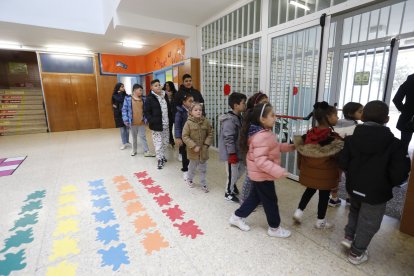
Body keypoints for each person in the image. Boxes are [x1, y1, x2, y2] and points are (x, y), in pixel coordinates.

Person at [339, 100, 410, 265]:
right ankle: (356, 253)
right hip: (377, 191)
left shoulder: (351, 138)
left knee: (355, 211)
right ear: (387, 119)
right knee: (369, 221)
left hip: (353, 186)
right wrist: (388, 183)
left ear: (363, 117)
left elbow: (343, 162)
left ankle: (349, 236)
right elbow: (400, 173)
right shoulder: (395, 144)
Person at [229, 103, 295, 238]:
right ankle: (274, 228)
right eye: (272, 115)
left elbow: (274, 147)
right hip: (263, 175)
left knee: (254, 198)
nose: (275, 118)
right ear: (262, 119)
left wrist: (290, 147)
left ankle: (236, 217)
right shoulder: (262, 136)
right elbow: (261, 161)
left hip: (260, 175)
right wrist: (279, 171)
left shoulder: (263, 133)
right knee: (270, 201)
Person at [292, 101, 343, 229]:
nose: (337, 118)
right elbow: (339, 158)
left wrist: (301, 167)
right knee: (324, 196)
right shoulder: (334, 138)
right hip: (326, 174)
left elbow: (302, 154)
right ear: (328, 117)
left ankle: (299, 212)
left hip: (310, 172)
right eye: (335, 115)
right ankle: (320, 221)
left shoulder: (309, 134)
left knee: (309, 190)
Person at [329, 102, 363, 207]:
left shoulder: (335, 124)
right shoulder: (357, 127)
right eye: (360, 111)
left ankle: (333, 198)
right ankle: (350, 198)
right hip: (350, 157)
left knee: (335, 177)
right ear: (350, 113)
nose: (363, 113)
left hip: (336, 155)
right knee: (351, 178)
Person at [240, 92, 269, 204]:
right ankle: (244, 200)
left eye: (268, 102)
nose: (267, 105)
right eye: (264, 102)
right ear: (256, 105)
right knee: (250, 177)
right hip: (254, 153)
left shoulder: (262, 117)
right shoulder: (253, 119)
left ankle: (258, 198)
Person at [219, 92, 247, 203]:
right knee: (232, 173)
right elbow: (228, 138)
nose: (245, 105)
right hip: (231, 153)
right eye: (243, 103)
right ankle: (228, 193)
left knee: (241, 170)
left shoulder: (239, 117)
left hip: (238, 152)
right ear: (236, 105)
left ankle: (232, 184)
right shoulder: (229, 120)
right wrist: (232, 153)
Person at [182, 102, 213, 192]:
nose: (198, 111)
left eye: (200, 110)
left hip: (203, 151)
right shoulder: (188, 123)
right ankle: (189, 179)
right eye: (196, 110)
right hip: (193, 152)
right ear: (191, 112)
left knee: (203, 169)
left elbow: (210, 133)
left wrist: (206, 144)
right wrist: (193, 145)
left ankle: (203, 184)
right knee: (192, 168)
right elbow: (185, 136)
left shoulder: (206, 121)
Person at [144, 79, 173, 170]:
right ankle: (159, 159)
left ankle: (162, 155)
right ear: (152, 88)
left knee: (165, 142)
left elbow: (169, 109)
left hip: (166, 124)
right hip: (156, 125)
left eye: (159, 85)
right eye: (155, 85)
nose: (158, 87)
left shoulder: (165, 96)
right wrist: (151, 120)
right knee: (158, 143)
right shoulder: (149, 98)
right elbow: (146, 112)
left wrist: (170, 119)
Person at [122, 84, 155, 157]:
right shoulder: (127, 99)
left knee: (143, 137)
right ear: (134, 90)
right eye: (140, 90)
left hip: (141, 122)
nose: (141, 92)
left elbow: (146, 110)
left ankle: (146, 151)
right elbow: (124, 110)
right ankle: (134, 150)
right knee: (134, 137)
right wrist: (125, 119)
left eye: (141, 90)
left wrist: (146, 119)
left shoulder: (144, 99)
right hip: (132, 122)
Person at [393, 73, 414, 153]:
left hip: (408, 118)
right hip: (408, 116)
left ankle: (403, 161)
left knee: (404, 144)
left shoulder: (408, 82)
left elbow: (396, 99)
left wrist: (405, 111)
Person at [175, 93, 194, 182]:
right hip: (183, 137)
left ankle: (190, 168)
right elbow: (177, 126)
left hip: (192, 137)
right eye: (190, 101)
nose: (192, 103)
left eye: (193, 101)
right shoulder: (180, 112)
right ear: (184, 102)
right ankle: (185, 170)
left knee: (191, 154)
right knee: (184, 155)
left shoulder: (193, 111)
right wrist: (178, 137)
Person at [112, 82, 130, 150]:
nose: (123, 88)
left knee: (127, 130)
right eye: (122, 87)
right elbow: (119, 100)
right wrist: (120, 93)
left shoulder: (125, 95)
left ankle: (127, 141)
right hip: (119, 115)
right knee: (122, 130)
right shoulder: (115, 95)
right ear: (118, 88)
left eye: (123, 86)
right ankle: (124, 143)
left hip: (126, 115)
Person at [163, 81, 178, 147]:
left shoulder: (175, 93)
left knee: (177, 127)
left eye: (168, 85)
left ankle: (176, 139)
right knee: (169, 127)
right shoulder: (163, 93)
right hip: (167, 113)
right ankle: (171, 140)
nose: (167, 87)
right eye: (166, 85)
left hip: (175, 113)